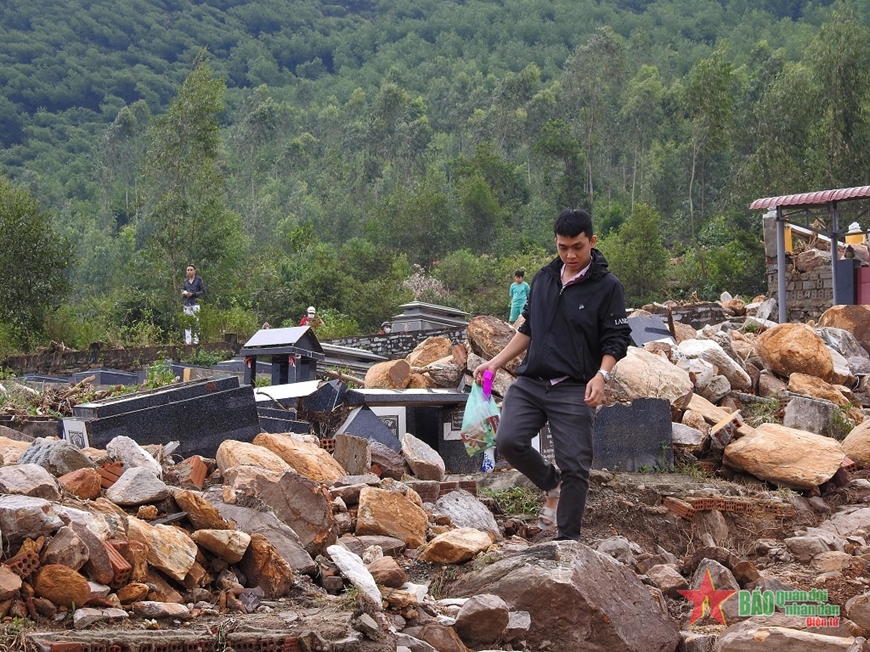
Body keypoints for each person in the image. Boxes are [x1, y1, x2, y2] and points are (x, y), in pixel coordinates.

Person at [473, 208, 631, 541]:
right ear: (555, 243)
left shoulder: (608, 287)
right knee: (509, 441)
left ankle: (567, 542)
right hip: (531, 383)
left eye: (578, 246)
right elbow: (529, 328)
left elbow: (616, 340)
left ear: (592, 241)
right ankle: (550, 483)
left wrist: (602, 375)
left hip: (574, 388)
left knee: (575, 466)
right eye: (563, 247)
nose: (570, 255)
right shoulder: (544, 279)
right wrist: (495, 363)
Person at [181, 264, 205, 345]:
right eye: (188, 270)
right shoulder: (186, 281)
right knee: (187, 323)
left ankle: (195, 341)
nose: (189, 271)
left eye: (191, 270)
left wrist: (193, 294)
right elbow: (184, 289)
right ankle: (188, 342)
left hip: (195, 303)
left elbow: (202, 291)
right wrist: (184, 294)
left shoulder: (199, 280)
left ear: (194, 271)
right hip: (187, 304)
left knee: (196, 323)